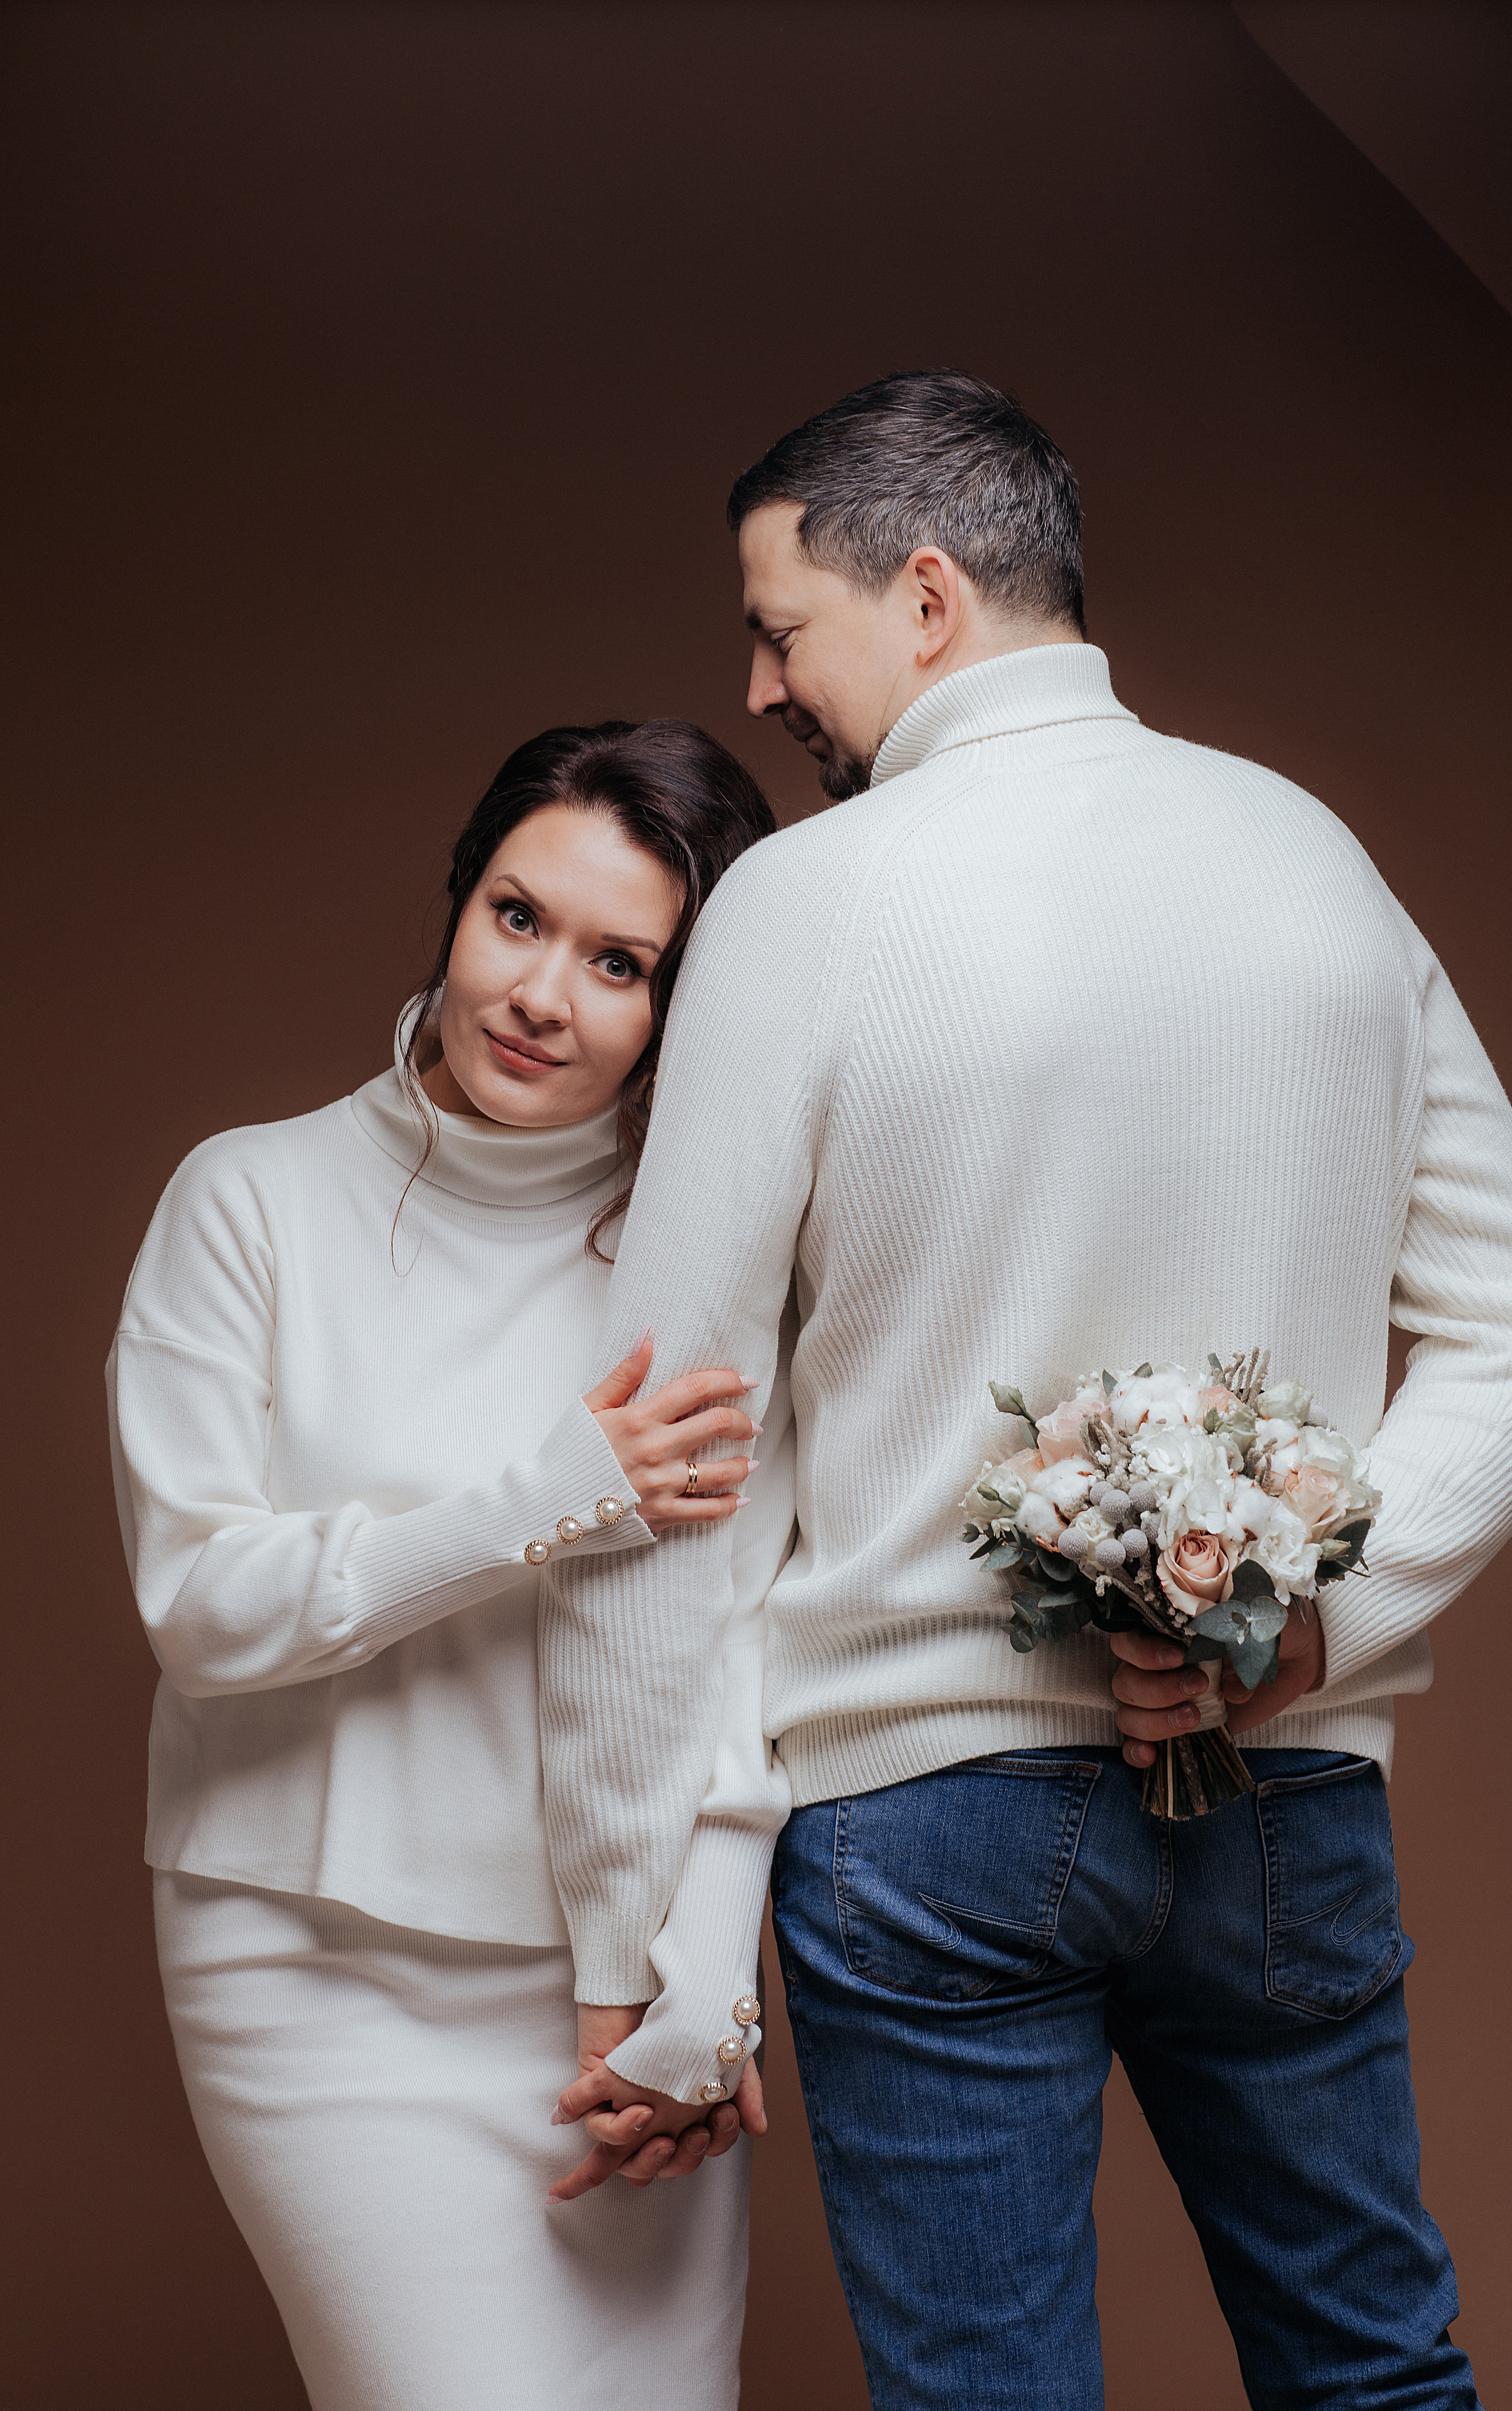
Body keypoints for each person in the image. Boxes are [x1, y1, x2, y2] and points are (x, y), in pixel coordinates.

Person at [541, 374, 1512, 2408]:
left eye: (782, 627)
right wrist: (1313, 1625)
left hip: (921, 1815)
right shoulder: (1313, 857)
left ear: (928, 596)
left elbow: (671, 1448)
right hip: (1281, 1788)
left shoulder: (803, 903)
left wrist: (626, 1939)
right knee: (1376, 2376)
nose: (760, 686)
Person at [107, 720, 796, 2411]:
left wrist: (704, 1987)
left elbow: (748, 1644)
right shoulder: (251, 1201)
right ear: (459, 898)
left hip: (613, 1999)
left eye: (621, 963)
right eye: (517, 916)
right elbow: (203, 1608)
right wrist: (548, 1498)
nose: (541, 995)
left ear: (684, 1009)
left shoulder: (706, 1266)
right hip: (310, 1969)